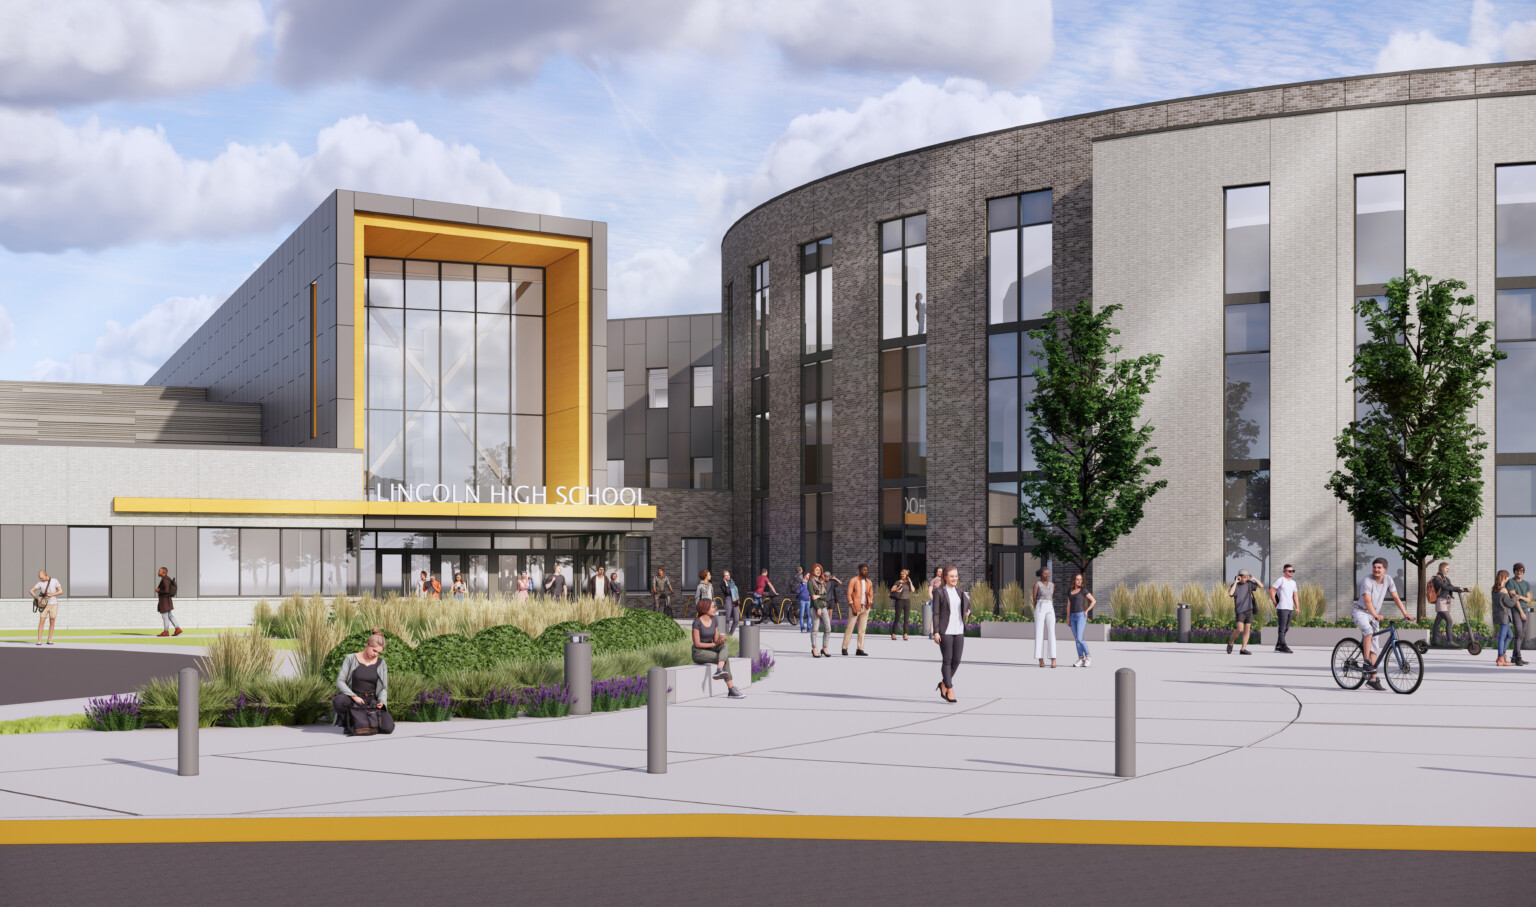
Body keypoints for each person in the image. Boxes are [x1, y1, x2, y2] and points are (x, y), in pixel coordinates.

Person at [1357, 557, 1410, 691]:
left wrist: (1405, 613)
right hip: (1361, 612)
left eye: (1379, 567)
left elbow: (1396, 597)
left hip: (1374, 615)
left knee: (1375, 647)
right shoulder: (1367, 581)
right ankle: (1366, 662)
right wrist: (1375, 615)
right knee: (1368, 632)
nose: (1376, 570)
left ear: (1385, 569)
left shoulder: (1388, 580)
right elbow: (1367, 601)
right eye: (1374, 567)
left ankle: (1373, 679)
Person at [333, 628, 395, 736]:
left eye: (379, 652)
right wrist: (354, 697)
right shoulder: (351, 658)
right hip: (354, 699)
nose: (376, 654)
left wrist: (382, 702)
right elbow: (340, 682)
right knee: (339, 701)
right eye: (374, 651)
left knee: (388, 728)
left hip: (372, 701)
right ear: (368, 644)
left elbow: (384, 688)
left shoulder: (381, 663)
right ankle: (349, 723)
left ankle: (364, 723)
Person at [692, 598, 745, 699]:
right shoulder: (697, 622)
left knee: (726, 646)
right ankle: (731, 689)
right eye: (713, 607)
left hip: (709, 649)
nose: (715, 608)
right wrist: (714, 645)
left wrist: (720, 641)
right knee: (724, 659)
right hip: (698, 652)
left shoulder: (714, 620)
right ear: (705, 608)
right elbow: (697, 644)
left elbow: (715, 640)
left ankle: (719, 669)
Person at [931, 565, 969, 703]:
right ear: (945, 577)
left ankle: (943, 683)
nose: (955, 578)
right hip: (945, 631)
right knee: (947, 659)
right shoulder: (939, 592)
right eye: (952, 576)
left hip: (959, 629)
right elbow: (935, 613)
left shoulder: (960, 591)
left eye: (956, 576)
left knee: (957, 660)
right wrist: (936, 632)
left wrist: (968, 612)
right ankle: (950, 688)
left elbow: (966, 605)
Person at [1428, 562, 1468, 648]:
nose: (1448, 570)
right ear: (1442, 568)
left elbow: (1451, 587)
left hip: (1446, 602)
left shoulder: (1446, 578)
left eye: (1448, 569)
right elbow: (1445, 587)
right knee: (1449, 621)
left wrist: (1463, 589)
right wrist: (1457, 588)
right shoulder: (1437, 579)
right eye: (1446, 568)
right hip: (1441, 602)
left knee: (1437, 623)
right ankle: (1449, 641)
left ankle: (1434, 641)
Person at [1226, 569, 1260, 655]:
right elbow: (1230, 593)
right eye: (1243, 577)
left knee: (1247, 630)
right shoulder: (1235, 585)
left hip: (1249, 609)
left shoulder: (1249, 584)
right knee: (1239, 629)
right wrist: (1236, 582)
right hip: (1240, 610)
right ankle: (1231, 642)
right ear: (1239, 577)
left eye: (1246, 577)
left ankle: (1243, 649)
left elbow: (1261, 586)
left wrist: (1254, 578)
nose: (1245, 579)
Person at [842, 564, 873, 656]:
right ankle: (844, 647)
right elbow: (849, 594)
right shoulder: (853, 580)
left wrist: (869, 604)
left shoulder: (869, 582)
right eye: (863, 570)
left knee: (862, 629)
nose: (865, 571)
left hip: (865, 608)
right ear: (859, 570)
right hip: (855, 607)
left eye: (866, 570)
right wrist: (852, 607)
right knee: (850, 628)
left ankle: (860, 649)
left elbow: (871, 594)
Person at [1068, 572, 1096, 667]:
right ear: (1074, 581)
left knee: (1080, 638)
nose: (1080, 581)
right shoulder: (1070, 591)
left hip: (1081, 616)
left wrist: (1087, 610)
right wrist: (1068, 618)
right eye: (1078, 579)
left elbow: (1093, 601)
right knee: (1076, 639)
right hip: (1072, 617)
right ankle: (1080, 659)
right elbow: (1068, 605)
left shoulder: (1083, 591)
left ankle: (1088, 656)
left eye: (1081, 579)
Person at [1505, 563, 1529, 667]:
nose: (1519, 572)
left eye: (1521, 571)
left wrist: (1521, 597)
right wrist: (1522, 612)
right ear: (1514, 571)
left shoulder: (1526, 584)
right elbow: (1514, 600)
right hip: (1516, 611)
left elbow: (1528, 599)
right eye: (1517, 570)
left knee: (1521, 634)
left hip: (1525, 610)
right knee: (1519, 632)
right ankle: (1518, 657)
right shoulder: (1511, 582)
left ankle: (1515, 656)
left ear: (1523, 572)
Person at [1269, 564, 1297, 654]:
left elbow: (1295, 595)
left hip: (1290, 607)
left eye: (1292, 571)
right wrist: (1274, 601)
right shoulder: (1281, 580)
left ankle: (1278, 646)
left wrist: (1297, 607)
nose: (1291, 572)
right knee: (1282, 628)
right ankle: (1284, 645)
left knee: (1286, 628)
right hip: (1282, 607)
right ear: (1284, 571)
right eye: (1289, 571)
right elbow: (1271, 590)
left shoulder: (1293, 583)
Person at [31, 568, 62, 646]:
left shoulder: (54, 581)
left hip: (54, 604)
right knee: (42, 621)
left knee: (52, 621)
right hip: (44, 605)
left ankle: (49, 639)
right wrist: (37, 597)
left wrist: (51, 595)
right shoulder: (40, 583)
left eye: (42, 577)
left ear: (46, 575)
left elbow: (61, 591)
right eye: (40, 578)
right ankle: (39, 640)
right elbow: (31, 590)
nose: (41, 579)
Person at [1033, 567, 1056, 668]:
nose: (1048, 575)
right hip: (1040, 606)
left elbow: (1051, 596)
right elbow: (1034, 598)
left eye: (1048, 573)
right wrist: (1037, 610)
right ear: (1041, 574)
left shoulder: (1052, 585)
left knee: (1052, 632)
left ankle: (1053, 659)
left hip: (1050, 606)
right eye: (1045, 573)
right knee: (1039, 632)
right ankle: (1040, 659)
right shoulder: (1037, 584)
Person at [808, 563, 832, 658]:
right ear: (813, 571)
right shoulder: (810, 581)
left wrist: (818, 596)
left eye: (820, 570)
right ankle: (814, 649)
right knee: (815, 629)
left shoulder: (823, 582)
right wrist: (818, 608)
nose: (818, 571)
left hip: (824, 607)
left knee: (828, 628)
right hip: (815, 608)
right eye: (816, 570)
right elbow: (812, 597)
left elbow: (826, 596)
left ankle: (824, 648)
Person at [155, 566, 181, 637]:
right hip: (167, 600)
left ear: (163, 572)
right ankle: (177, 628)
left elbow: (166, 591)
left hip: (164, 601)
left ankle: (166, 631)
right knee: (170, 615)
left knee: (165, 616)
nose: (158, 572)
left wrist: (158, 591)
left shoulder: (165, 580)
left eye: (159, 571)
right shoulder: (167, 579)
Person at [890, 569, 914, 641]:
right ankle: (893, 633)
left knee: (906, 619)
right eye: (901, 574)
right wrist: (898, 587)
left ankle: (905, 634)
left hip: (907, 601)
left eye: (903, 574)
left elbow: (913, 590)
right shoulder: (898, 582)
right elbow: (892, 590)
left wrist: (910, 582)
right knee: (897, 617)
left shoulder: (908, 583)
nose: (902, 575)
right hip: (899, 601)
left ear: (906, 575)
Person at [795, 567, 812, 633]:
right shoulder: (801, 582)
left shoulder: (810, 582)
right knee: (801, 615)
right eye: (808, 575)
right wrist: (802, 585)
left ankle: (809, 628)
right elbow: (798, 591)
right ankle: (802, 628)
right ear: (805, 576)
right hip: (802, 600)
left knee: (809, 615)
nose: (809, 576)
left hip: (808, 600)